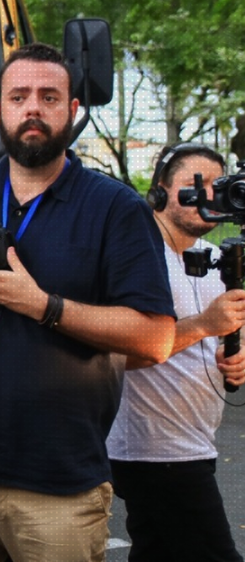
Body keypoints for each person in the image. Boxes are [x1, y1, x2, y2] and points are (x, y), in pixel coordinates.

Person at [0, 42, 177, 562]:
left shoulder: (116, 208)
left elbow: (156, 337)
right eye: (19, 96)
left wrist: (44, 304)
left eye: (49, 97)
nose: (32, 108)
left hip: (55, 481)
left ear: (73, 112)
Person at [107, 142, 245, 562]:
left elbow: (222, 334)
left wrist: (235, 356)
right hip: (152, 450)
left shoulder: (221, 260)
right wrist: (204, 324)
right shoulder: (136, 259)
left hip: (195, 443)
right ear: (160, 191)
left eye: (215, 188)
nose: (205, 198)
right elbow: (117, 352)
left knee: (157, 552)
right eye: (192, 186)